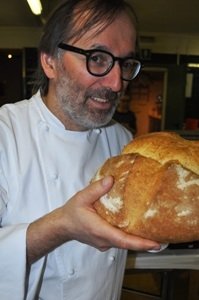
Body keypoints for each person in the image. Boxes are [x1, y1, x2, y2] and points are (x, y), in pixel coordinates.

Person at [0, 1, 160, 299]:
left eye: (125, 64)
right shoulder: (6, 134)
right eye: (97, 58)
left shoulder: (123, 140)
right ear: (50, 62)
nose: (115, 84)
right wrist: (60, 226)